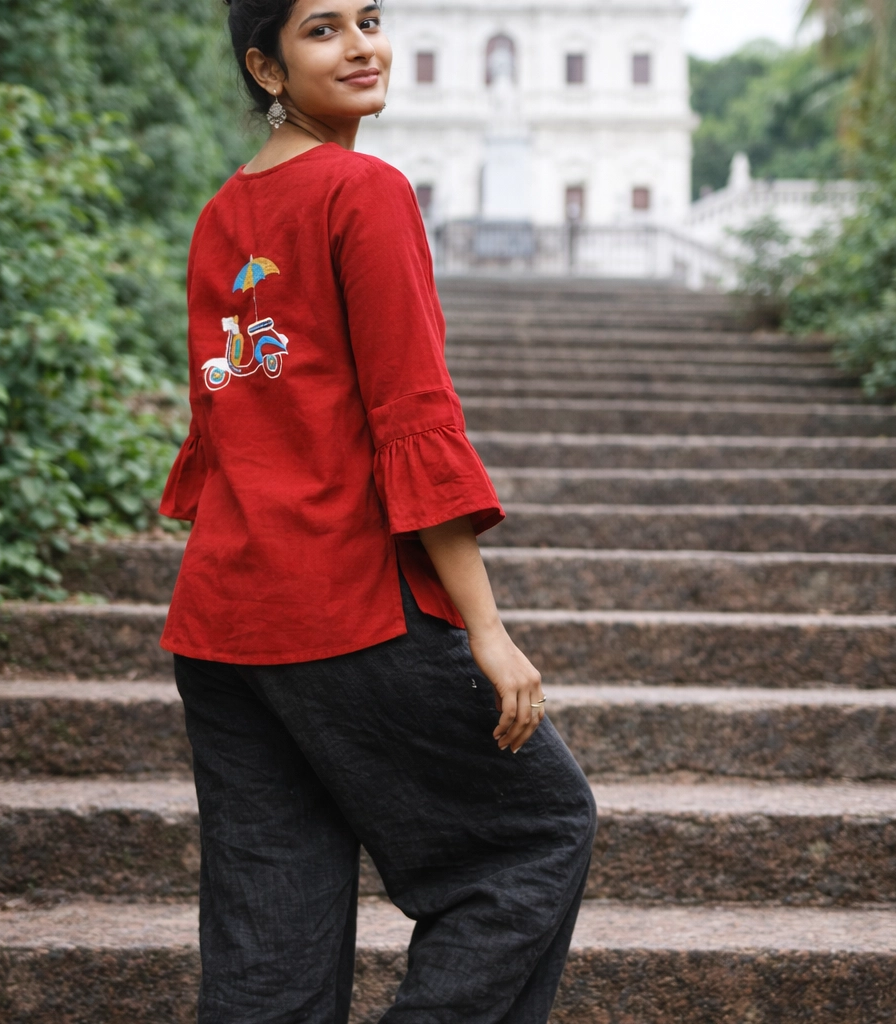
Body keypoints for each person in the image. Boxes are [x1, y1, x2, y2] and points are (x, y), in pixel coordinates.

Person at [159, 1, 597, 1021]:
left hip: (225, 619)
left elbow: (228, 405)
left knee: (271, 942)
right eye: (322, 30)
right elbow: (412, 414)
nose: (360, 45)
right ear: (265, 67)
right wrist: (485, 628)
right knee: (533, 834)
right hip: (345, 604)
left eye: (369, 18)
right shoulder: (366, 190)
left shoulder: (226, 210)